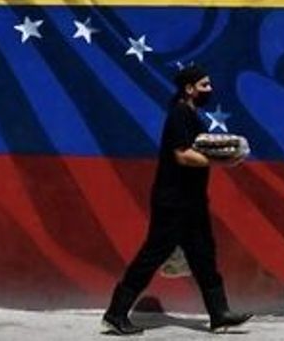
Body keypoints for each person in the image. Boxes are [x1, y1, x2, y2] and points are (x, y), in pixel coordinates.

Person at [102, 64, 251, 335]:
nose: (210, 89)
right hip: (173, 202)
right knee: (152, 256)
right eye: (204, 85)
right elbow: (182, 155)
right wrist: (222, 161)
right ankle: (116, 313)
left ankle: (219, 314)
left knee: (204, 255)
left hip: (192, 201)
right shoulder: (180, 114)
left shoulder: (191, 114)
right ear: (189, 88)